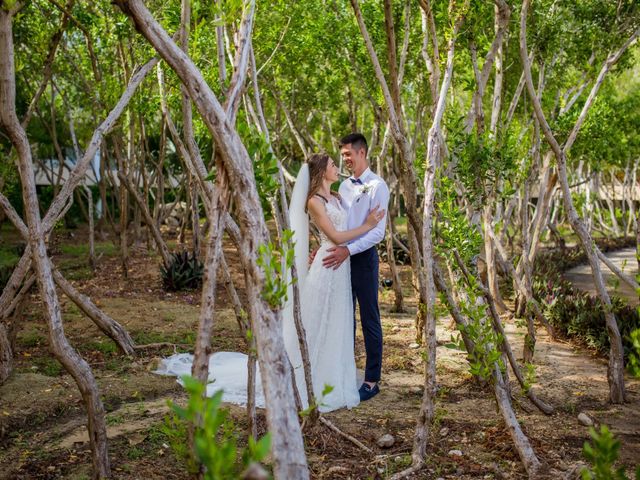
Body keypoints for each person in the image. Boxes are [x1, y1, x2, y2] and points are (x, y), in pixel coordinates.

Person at [155, 152, 385, 413]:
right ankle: (311, 377)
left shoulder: (338, 197)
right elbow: (333, 234)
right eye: (333, 164)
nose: (337, 167)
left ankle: (334, 375)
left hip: (340, 266)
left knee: (338, 321)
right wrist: (368, 225)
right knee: (318, 320)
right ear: (321, 172)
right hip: (328, 264)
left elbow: (341, 230)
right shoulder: (314, 201)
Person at [322, 133, 390, 401]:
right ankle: (346, 372)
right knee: (343, 316)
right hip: (340, 255)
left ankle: (372, 380)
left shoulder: (377, 186)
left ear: (361, 152)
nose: (345, 160)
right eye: (343, 156)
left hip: (362, 258)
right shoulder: (344, 186)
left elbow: (378, 233)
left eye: (348, 154)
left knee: (369, 317)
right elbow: (339, 224)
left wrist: (347, 250)